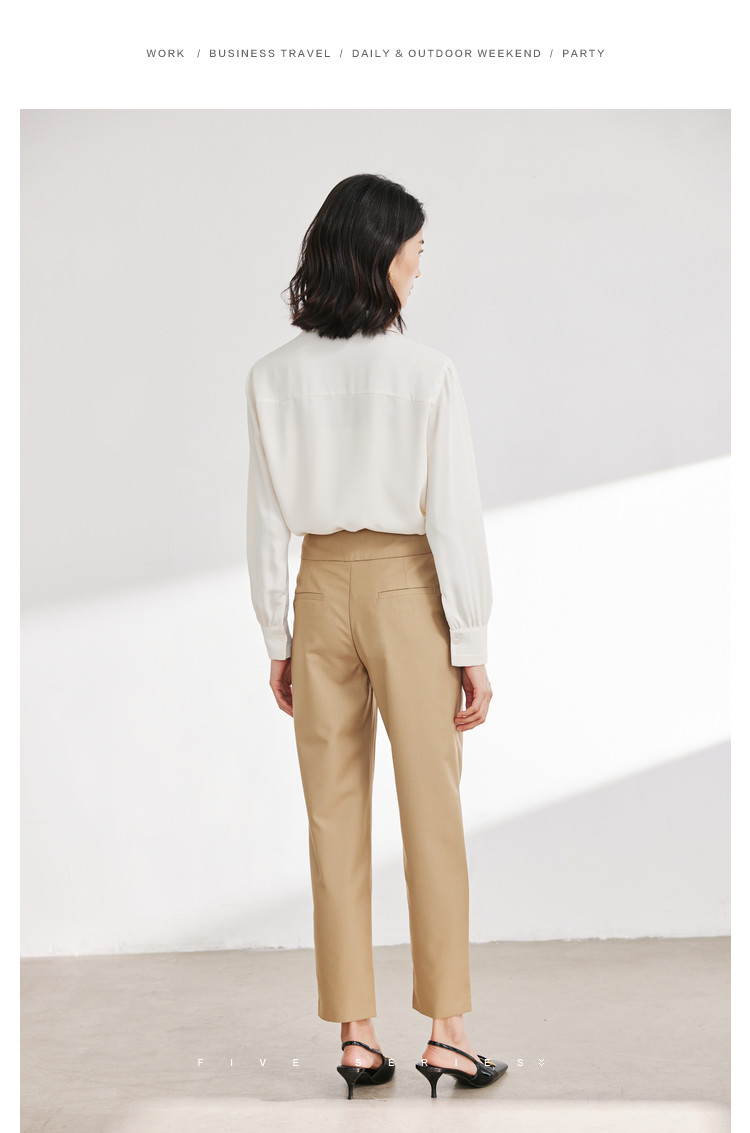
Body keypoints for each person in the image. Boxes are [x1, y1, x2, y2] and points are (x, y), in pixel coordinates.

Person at [244, 173, 507, 1098]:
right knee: (432, 807)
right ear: (383, 254)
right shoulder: (426, 372)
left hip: (318, 590)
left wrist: (276, 632)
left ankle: (357, 1036)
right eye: (417, 250)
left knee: (332, 810)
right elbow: (455, 517)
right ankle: (448, 1032)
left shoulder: (272, 376)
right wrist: (471, 640)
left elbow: (265, 518)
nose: (421, 266)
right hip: (407, 590)